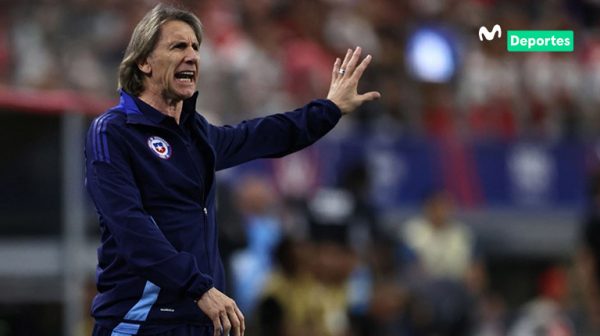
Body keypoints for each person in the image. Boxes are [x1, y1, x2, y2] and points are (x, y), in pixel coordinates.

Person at [84, 3, 380, 336]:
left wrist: (330, 109)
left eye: (196, 47)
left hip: (202, 321)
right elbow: (130, 228)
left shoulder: (197, 136)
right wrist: (198, 288)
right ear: (144, 61)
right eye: (178, 46)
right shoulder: (115, 130)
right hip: (141, 322)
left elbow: (265, 135)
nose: (193, 56)